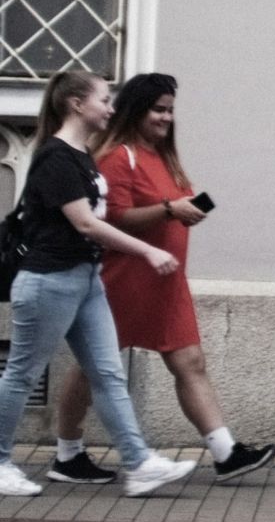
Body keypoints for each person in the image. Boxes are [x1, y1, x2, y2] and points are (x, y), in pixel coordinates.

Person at [47, 74, 275, 486]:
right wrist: (171, 210)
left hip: (166, 279)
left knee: (190, 362)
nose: (167, 118)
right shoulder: (120, 156)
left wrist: (183, 209)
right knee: (92, 366)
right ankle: (67, 454)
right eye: (158, 109)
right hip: (126, 277)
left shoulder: (163, 157)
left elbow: (165, 208)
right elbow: (112, 217)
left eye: (170, 110)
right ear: (137, 110)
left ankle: (226, 452)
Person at [0, 71, 197, 498]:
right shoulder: (56, 158)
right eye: (104, 100)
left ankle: (139, 463)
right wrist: (148, 251)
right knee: (21, 374)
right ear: (76, 104)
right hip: (48, 281)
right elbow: (87, 223)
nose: (111, 108)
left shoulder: (82, 155)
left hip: (85, 280)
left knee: (108, 373)